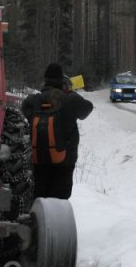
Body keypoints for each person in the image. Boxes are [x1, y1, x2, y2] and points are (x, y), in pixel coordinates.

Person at [22, 63, 93, 199]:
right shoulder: (70, 99)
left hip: (38, 161)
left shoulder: (33, 101)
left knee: (39, 200)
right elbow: (87, 109)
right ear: (62, 80)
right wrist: (70, 91)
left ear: (45, 80)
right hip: (64, 162)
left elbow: (24, 111)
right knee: (59, 202)